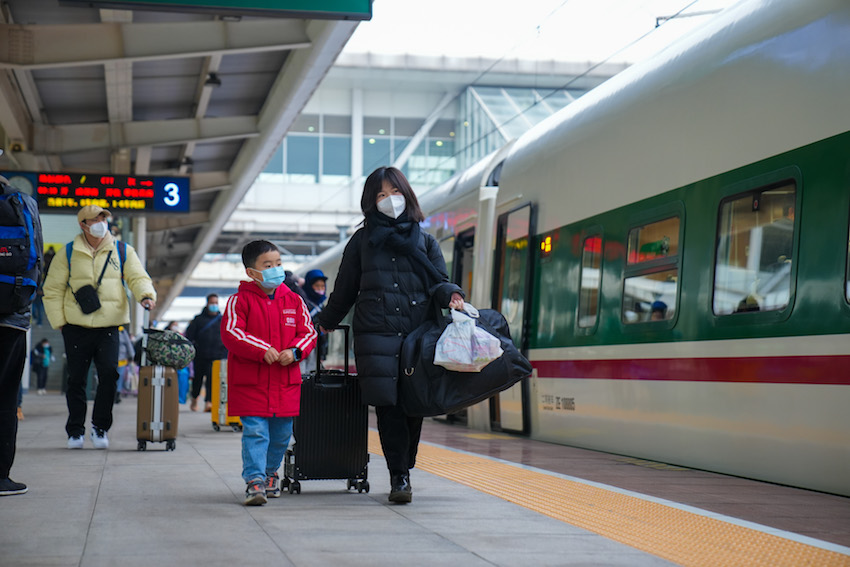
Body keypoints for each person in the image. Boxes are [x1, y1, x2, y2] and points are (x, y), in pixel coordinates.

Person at [315, 166, 464, 504]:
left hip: (418, 333)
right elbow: (345, 290)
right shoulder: (361, 242)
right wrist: (326, 320)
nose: (389, 200)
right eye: (381, 195)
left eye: (394, 193)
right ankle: (399, 475)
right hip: (376, 333)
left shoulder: (425, 240)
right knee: (389, 404)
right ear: (371, 201)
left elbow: (438, 280)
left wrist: (452, 295)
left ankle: (404, 463)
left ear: (406, 196)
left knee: (415, 405)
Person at [43, 205, 156, 450]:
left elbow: (137, 277)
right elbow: (52, 289)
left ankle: (100, 427)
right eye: (94, 219)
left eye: (103, 218)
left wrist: (145, 294)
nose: (100, 223)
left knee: (109, 376)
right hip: (75, 326)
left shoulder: (122, 250)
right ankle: (75, 430)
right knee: (76, 380)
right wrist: (60, 322)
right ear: (82, 224)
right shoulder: (68, 253)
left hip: (109, 326)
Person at [220, 240, 317, 506]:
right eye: (268, 265)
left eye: (278, 264)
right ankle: (255, 480)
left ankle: (269, 472)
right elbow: (232, 333)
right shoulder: (238, 301)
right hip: (252, 382)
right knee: (256, 432)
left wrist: (295, 351)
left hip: (285, 382)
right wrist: (263, 349)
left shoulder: (294, 300)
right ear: (252, 272)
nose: (275, 269)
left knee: (282, 434)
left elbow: (308, 332)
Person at [0, 176, 44, 496]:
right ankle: (1, 476)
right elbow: (36, 259)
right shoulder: (24, 202)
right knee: (5, 397)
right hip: (12, 316)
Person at [185, 294, 228, 412]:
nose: (214, 305)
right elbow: (190, 336)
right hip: (200, 355)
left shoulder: (222, 319)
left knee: (212, 379)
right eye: (212, 303)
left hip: (216, 355)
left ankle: (208, 402)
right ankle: (194, 398)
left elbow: (227, 337)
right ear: (207, 303)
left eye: (216, 303)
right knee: (197, 379)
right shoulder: (198, 320)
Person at [298, 269, 328, 375]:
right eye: (317, 286)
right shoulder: (302, 302)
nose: (320, 289)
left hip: (316, 350)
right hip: (304, 347)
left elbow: (324, 335)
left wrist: (323, 354)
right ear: (309, 285)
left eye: (322, 286)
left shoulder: (321, 306)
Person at [115, 326, 135, 403]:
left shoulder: (122, 331)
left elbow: (128, 343)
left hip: (121, 359)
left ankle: (117, 393)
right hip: (112, 358)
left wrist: (131, 356)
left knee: (119, 377)